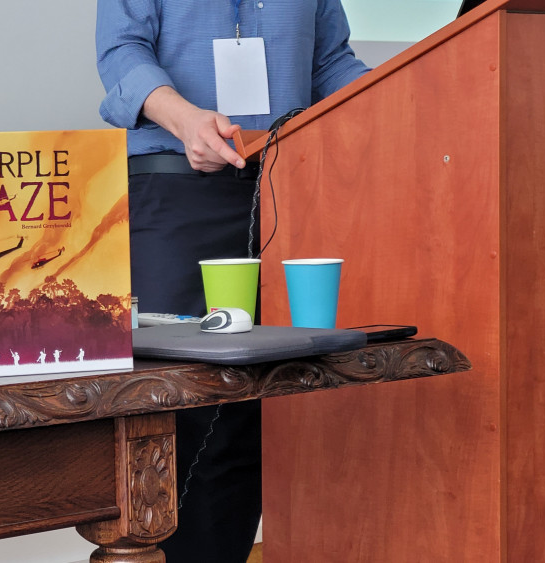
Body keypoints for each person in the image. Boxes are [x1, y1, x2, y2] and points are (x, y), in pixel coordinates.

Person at [95, 2, 370, 561]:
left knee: (258, 410)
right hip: (176, 189)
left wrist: (409, 90)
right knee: (181, 405)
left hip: (293, 186)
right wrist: (186, 119)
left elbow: (329, 62)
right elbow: (122, 51)